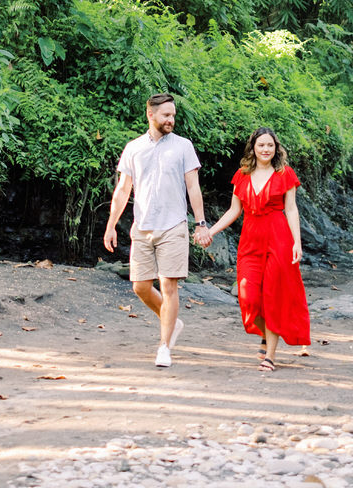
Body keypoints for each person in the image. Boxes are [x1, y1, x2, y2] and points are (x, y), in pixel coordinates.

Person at [104, 93, 210, 368]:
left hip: (174, 225)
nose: (170, 120)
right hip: (142, 227)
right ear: (150, 115)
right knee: (140, 286)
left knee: (168, 285)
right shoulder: (134, 148)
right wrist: (111, 225)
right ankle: (171, 321)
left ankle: (164, 346)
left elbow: (193, 187)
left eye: (173, 115)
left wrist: (200, 223)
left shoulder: (183, 146)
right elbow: (123, 189)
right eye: (165, 115)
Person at [200, 126, 310, 372]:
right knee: (248, 295)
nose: (266, 149)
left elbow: (291, 209)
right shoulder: (242, 174)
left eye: (270, 145)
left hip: (279, 239)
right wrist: (211, 230)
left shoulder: (285, 173)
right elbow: (234, 210)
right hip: (250, 240)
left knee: (273, 296)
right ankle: (265, 333)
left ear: (276, 148)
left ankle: (269, 356)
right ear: (253, 148)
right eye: (261, 145)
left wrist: (297, 242)